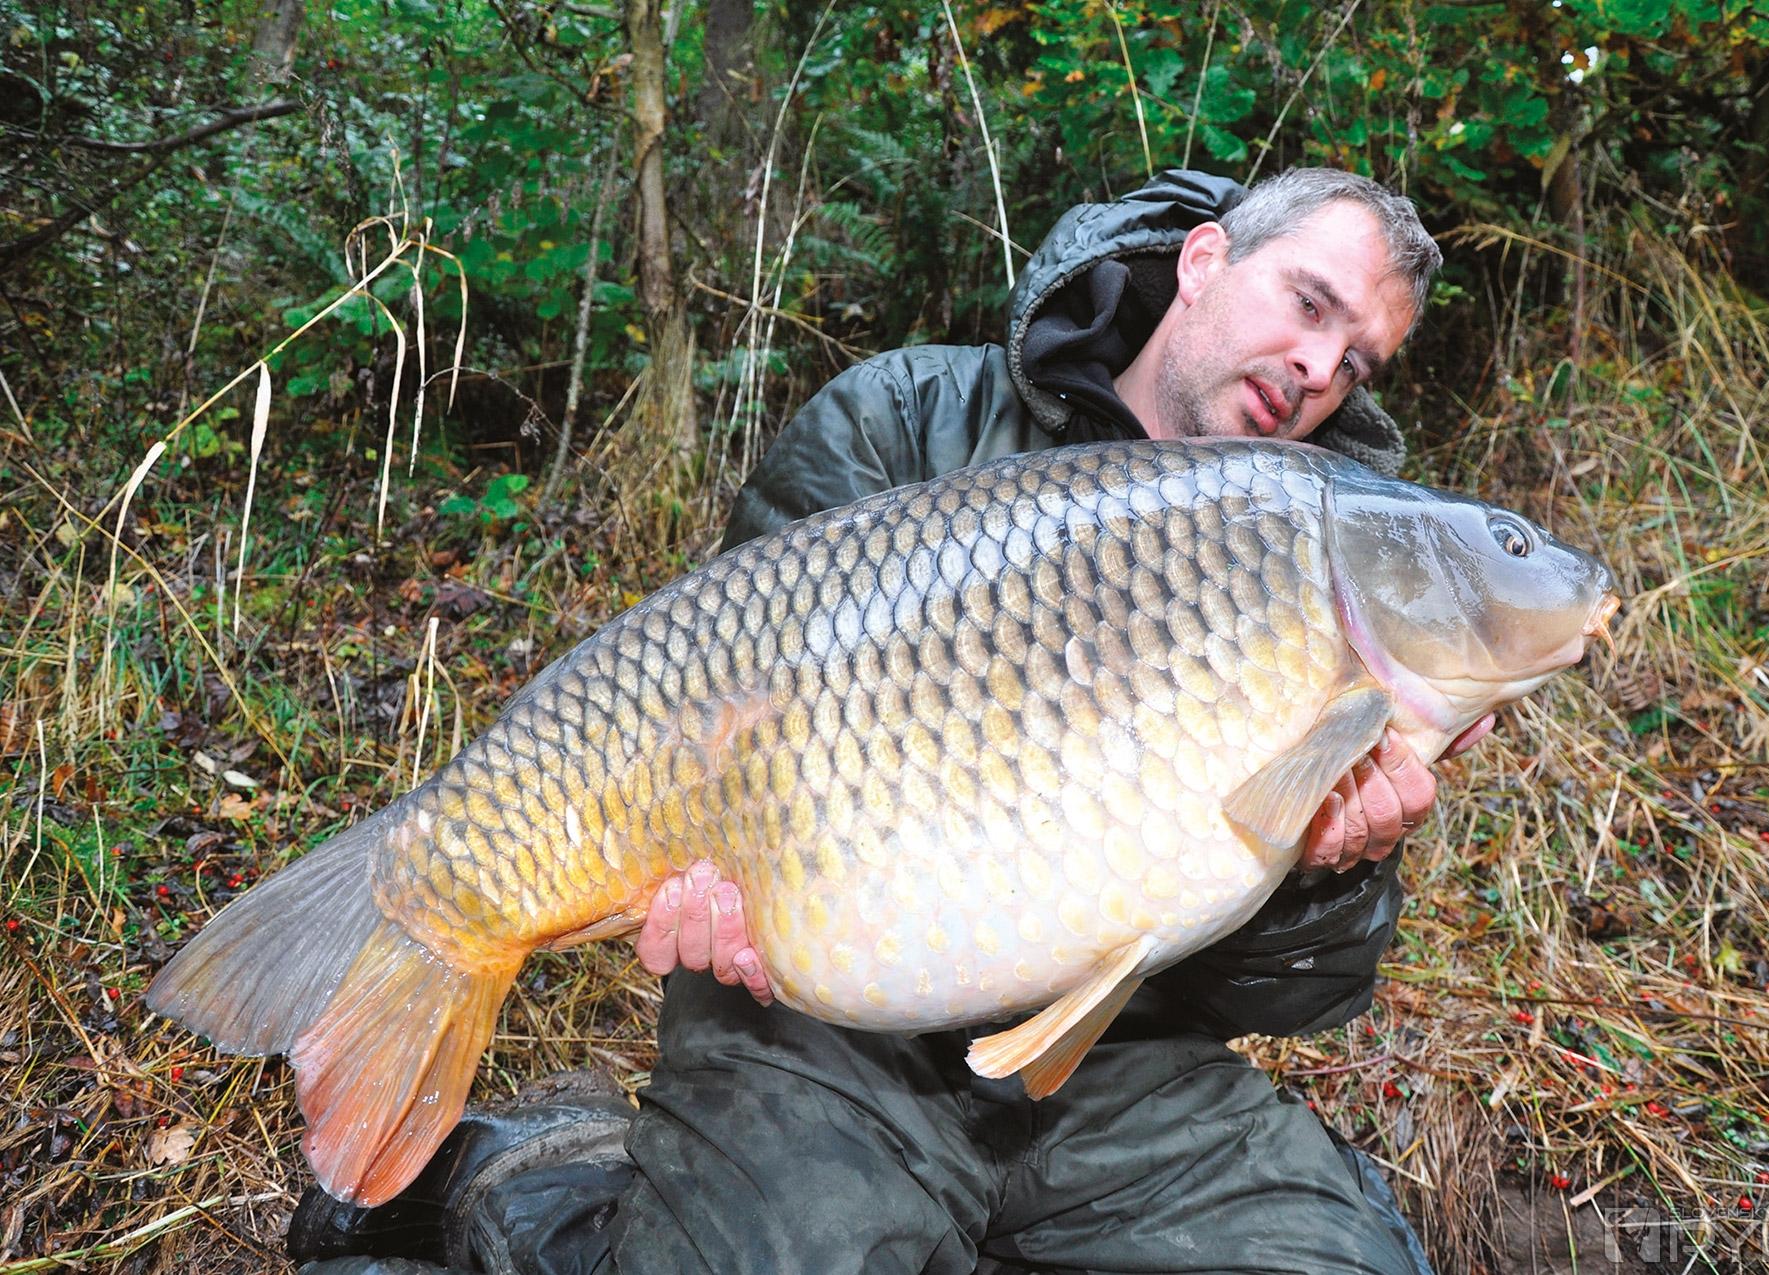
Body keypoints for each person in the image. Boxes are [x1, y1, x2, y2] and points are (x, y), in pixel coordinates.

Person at [294, 167, 1475, 1275]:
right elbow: (716, 698)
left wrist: (1326, 870)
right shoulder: (908, 417)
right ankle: (530, 1177)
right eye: (1308, 303)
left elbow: (1283, 998)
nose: (1317, 366)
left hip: (1118, 1067)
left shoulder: (1337, 584)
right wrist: (703, 864)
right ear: (1206, 260)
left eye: (1356, 363)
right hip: (820, 1035)